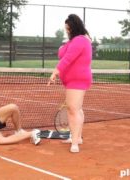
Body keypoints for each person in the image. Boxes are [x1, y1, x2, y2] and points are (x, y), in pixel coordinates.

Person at [47, 14, 93, 153]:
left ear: (75, 27)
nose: (67, 31)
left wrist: (55, 72)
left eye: (69, 29)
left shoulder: (79, 40)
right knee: (76, 109)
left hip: (77, 80)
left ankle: (75, 143)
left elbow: (67, 58)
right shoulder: (76, 41)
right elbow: (61, 52)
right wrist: (65, 45)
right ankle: (77, 138)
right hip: (73, 81)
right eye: (66, 29)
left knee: (73, 110)